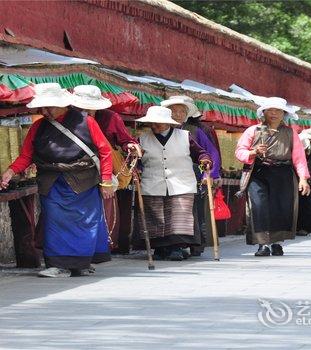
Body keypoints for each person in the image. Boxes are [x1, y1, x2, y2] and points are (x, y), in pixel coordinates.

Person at [0, 83, 113, 277]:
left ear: (63, 104)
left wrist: (106, 181)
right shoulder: (38, 127)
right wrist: (10, 172)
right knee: (54, 221)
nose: (44, 112)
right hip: (51, 182)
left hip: (84, 182)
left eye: (49, 107)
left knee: (84, 223)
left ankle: (80, 263)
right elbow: (26, 156)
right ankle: (58, 265)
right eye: (42, 108)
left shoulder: (87, 122)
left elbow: (104, 151)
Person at [71, 85, 141, 260]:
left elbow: (125, 140)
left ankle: (99, 248)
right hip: (75, 171)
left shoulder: (110, 118)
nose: (86, 110)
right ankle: (76, 248)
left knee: (103, 209)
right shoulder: (68, 118)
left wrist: (130, 146)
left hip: (103, 169)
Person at [134, 106, 212, 261]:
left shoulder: (185, 136)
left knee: (178, 216)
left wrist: (205, 162)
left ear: (169, 123)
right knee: (156, 217)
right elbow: (135, 159)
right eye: (153, 123)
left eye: (159, 123)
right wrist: (134, 166)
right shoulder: (142, 139)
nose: (155, 126)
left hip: (181, 182)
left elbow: (201, 154)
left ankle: (176, 248)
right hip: (153, 182)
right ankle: (160, 248)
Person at [235, 97, 310, 257]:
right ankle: (262, 244)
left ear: (284, 114)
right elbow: (240, 151)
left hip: (283, 174)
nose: (274, 113)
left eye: (278, 110)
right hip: (258, 173)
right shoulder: (252, 131)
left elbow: (299, 158)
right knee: (258, 207)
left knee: (280, 208)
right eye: (270, 110)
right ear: (264, 112)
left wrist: (303, 178)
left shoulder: (291, 133)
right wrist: (253, 152)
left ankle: (276, 243)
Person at [161, 97, 221, 256]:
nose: (178, 114)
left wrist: (207, 173)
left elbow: (208, 154)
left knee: (194, 211)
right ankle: (170, 244)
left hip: (192, 174)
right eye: (174, 111)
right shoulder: (160, 128)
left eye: (182, 111)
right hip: (165, 176)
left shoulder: (195, 131)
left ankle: (194, 245)